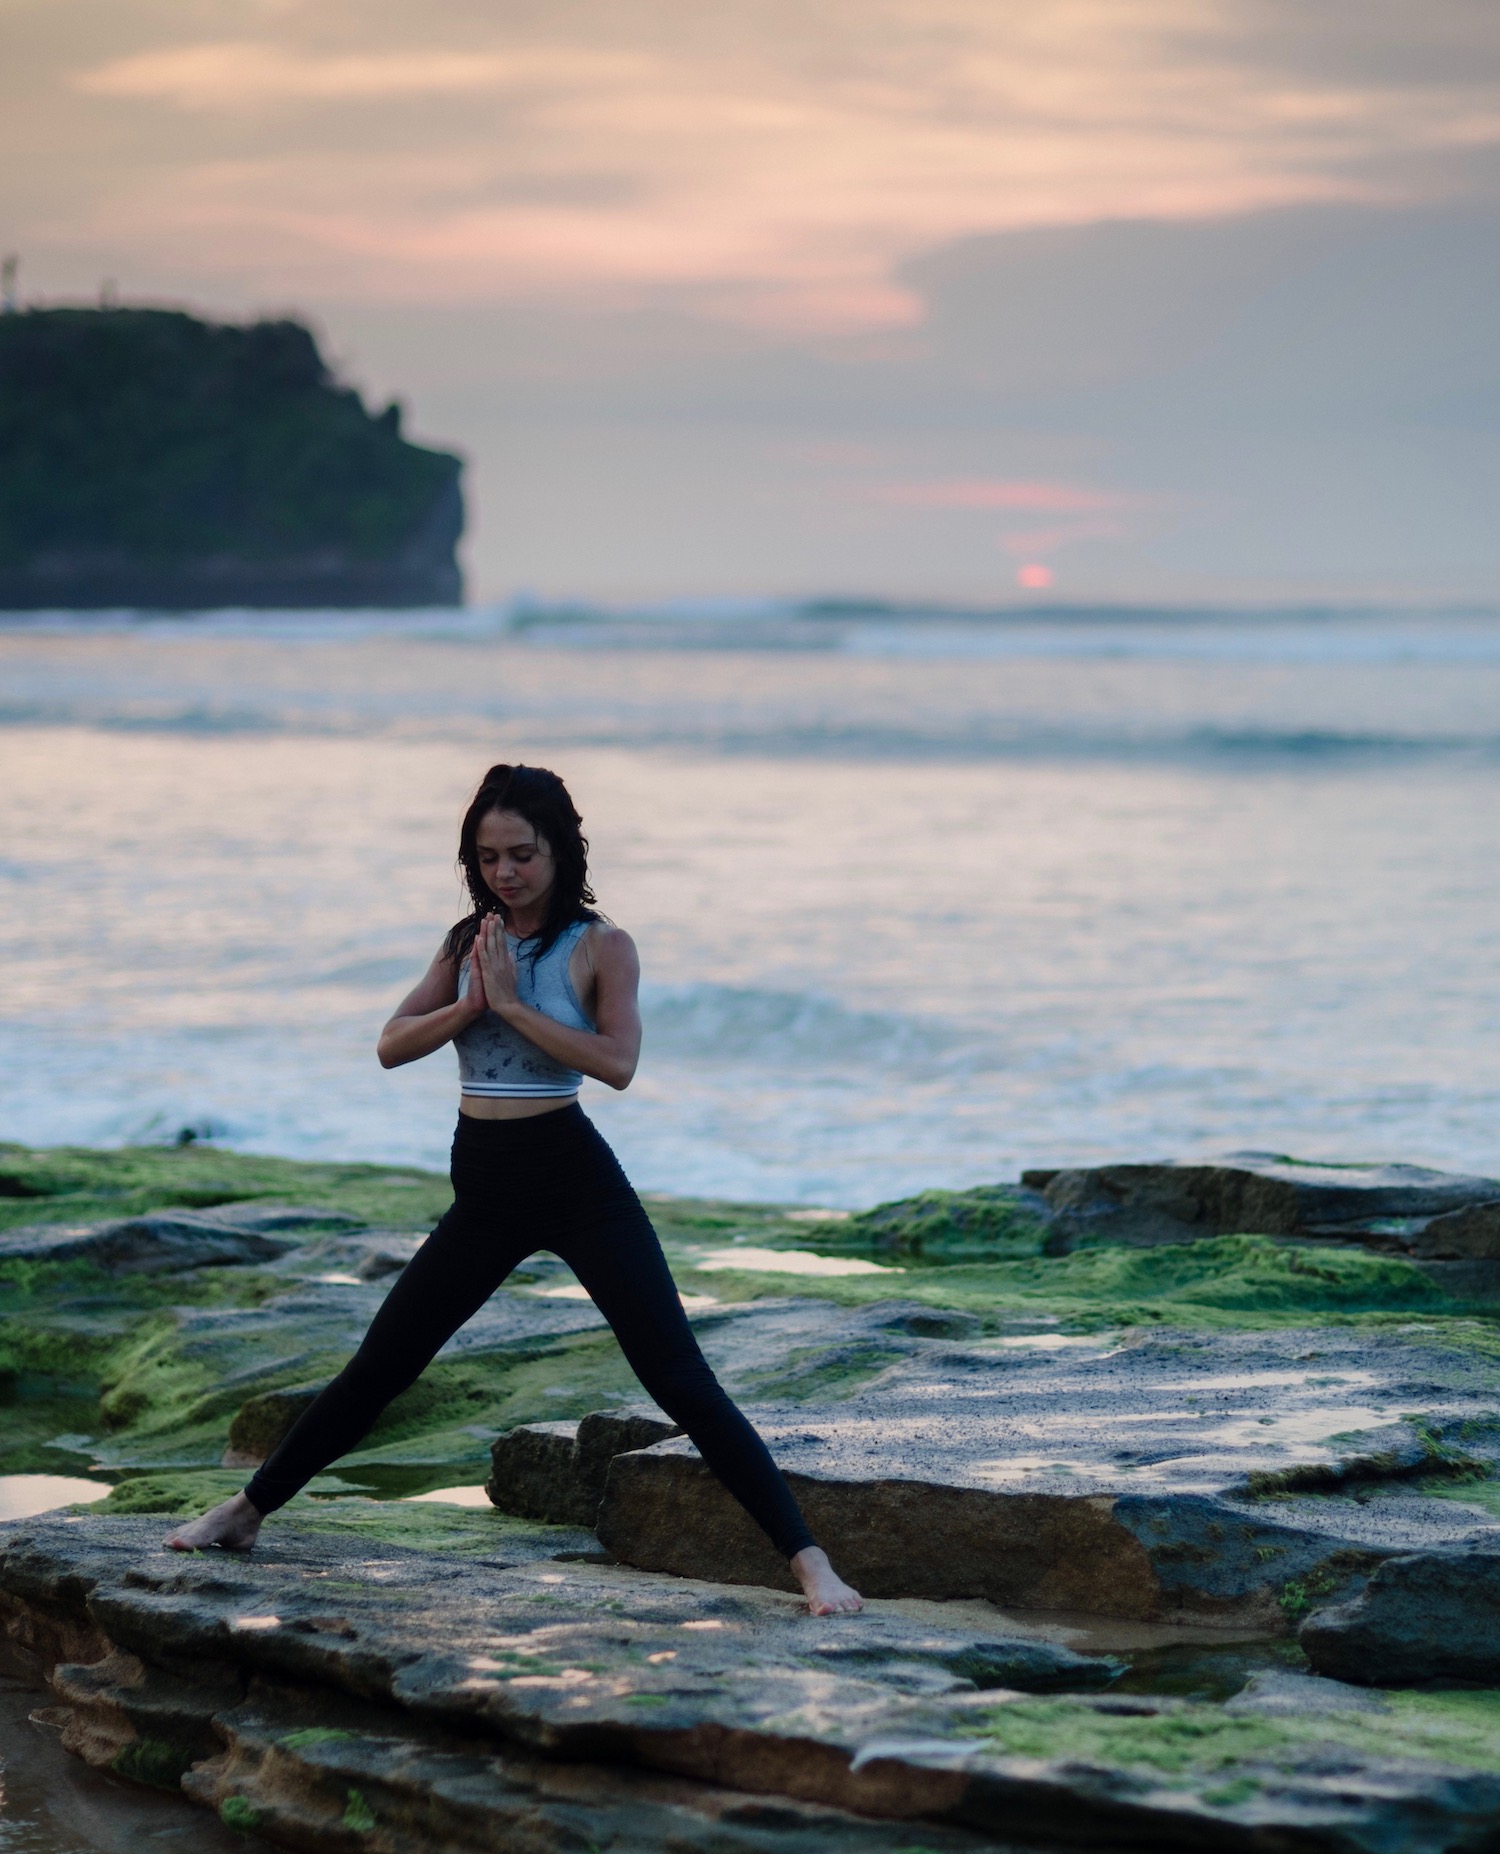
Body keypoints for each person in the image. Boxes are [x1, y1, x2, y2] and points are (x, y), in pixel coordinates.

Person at [166, 762, 862, 1616]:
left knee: (679, 1379)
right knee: (382, 1365)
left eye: (522, 854)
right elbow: (390, 1044)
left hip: (575, 1181)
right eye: (489, 856)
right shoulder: (468, 940)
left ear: (561, 851)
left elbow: (618, 1065)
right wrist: (468, 1005)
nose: (505, 872)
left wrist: (513, 1007)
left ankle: (810, 1564)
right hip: (486, 1191)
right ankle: (246, 1511)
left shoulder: (602, 946)